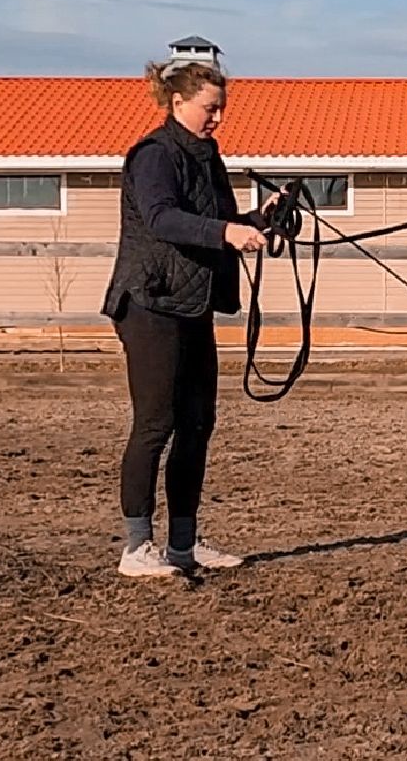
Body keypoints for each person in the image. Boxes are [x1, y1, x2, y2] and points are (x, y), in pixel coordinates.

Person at [101, 58, 277, 578]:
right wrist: (226, 233)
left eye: (221, 109)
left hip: (192, 303)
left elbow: (215, 220)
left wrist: (259, 220)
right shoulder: (154, 155)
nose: (217, 118)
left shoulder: (207, 158)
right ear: (178, 103)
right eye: (210, 108)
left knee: (197, 424)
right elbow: (163, 218)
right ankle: (137, 547)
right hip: (149, 304)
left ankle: (183, 543)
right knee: (155, 424)